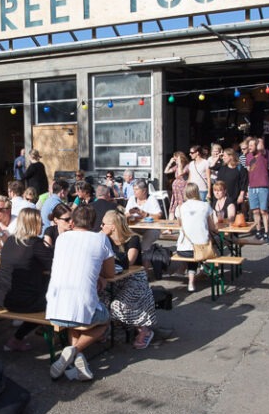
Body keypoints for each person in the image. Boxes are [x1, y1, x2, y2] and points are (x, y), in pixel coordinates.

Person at [46, 205, 115, 381]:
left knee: (74, 321)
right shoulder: (100, 239)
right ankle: (74, 350)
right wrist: (98, 274)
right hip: (81, 308)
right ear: (93, 223)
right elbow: (111, 273)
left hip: (54, 310)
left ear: (73, 221)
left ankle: (77, 361)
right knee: (105, 321)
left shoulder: (62, 238)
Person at [0, 208, 53, 352]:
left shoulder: (10, 240)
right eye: (40, 221)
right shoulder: (35, 244)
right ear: (34, 223)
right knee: (55, 299)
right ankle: (17, 338)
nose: (42, 224)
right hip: (24, 302)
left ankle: (18, 338)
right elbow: (55, 266)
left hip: (3, 298)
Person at [101, 210, 157, 349]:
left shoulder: (133, 239)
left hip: (134, 278)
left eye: (103, 224)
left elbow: (129, 262)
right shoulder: (105, 239)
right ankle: (104, 328)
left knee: (118, 306)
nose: (100, 226)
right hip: (113, 278)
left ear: (112, 226)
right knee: (99, 298)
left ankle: (144, 330)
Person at [176, 182, 217, 293]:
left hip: (183, 250)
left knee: (192, 252)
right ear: (197, 192)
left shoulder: (181, 207)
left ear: (186, 193)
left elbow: (180, 225)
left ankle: (190, 279)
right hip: (202, 249)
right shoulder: (205, 206)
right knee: (206, 246)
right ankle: (205, 271)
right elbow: (213, 227)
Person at [246, 138, 269, 242]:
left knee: (263, 210)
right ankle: (258, 231)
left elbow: (261, 147)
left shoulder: (264, 154)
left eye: (252, 145)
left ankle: (266, 232)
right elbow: (249, 169)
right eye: (249, 145)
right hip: (252, 187)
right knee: (255, 210)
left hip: (263, 186)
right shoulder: (248, 156)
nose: (250, 147)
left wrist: (258, 141)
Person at [213, 149, 248, 222]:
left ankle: (233, 232)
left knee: (232, 217)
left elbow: (244, 182)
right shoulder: (222, 166)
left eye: (225, 156)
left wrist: (241, 195)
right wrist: (217, 158)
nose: (223, 157)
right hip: (220, 195)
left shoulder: (240, 168)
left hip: (234, 195)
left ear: (231, 156)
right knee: (219, 216)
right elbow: (211, 167)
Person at [164, 151, 189, 218]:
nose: (176, 161)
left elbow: (180, 173)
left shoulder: (187, 166)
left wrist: (180, 163)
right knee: (173, 206)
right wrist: (170, 163)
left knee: (182, 205)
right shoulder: (176, 166)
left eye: (176, 159)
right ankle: (170, 226)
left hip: (182, 189)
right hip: (176, 191)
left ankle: (182, 222)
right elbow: (166, 171)